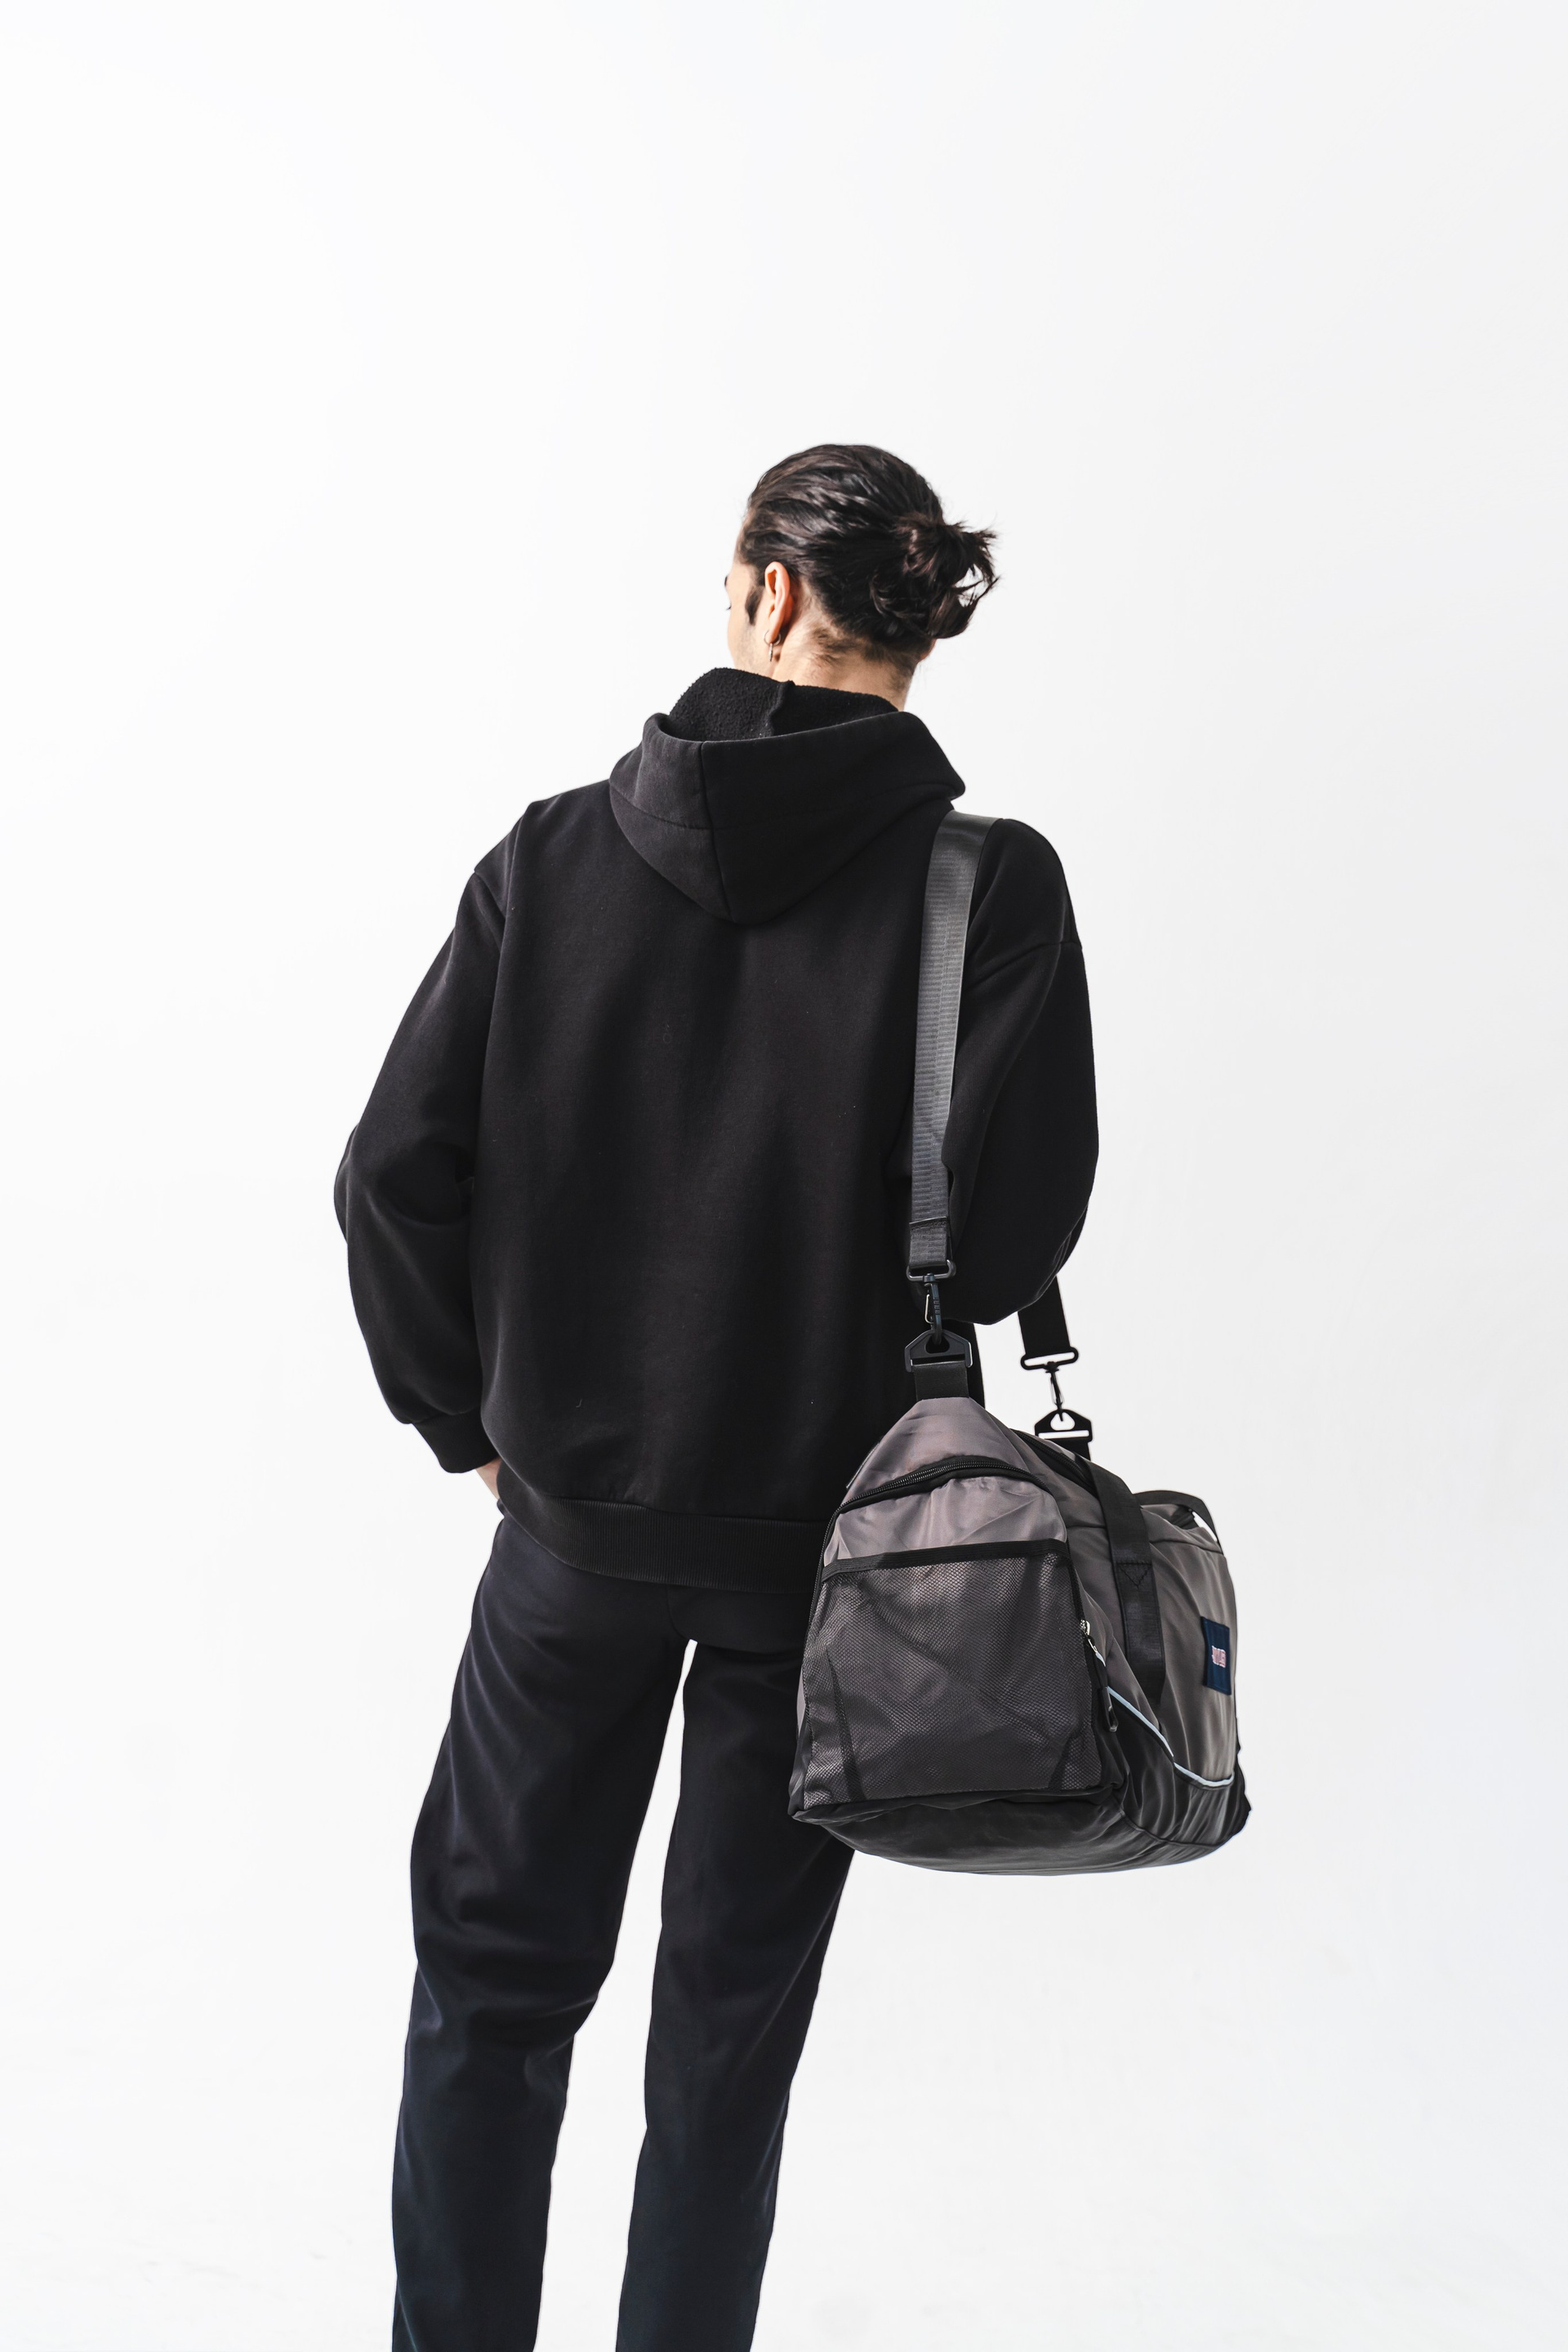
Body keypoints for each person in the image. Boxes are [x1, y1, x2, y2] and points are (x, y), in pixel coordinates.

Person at [336, 443, 1098, 2352]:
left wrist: (469, 1420)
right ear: (917, 626)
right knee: (728, 2034)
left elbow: (393, 1174)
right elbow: (1013, 1238)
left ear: (765, 591)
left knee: (491, 1993)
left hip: (566, 1539)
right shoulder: (988, 890)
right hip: (840, 1564)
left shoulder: (550, 859)